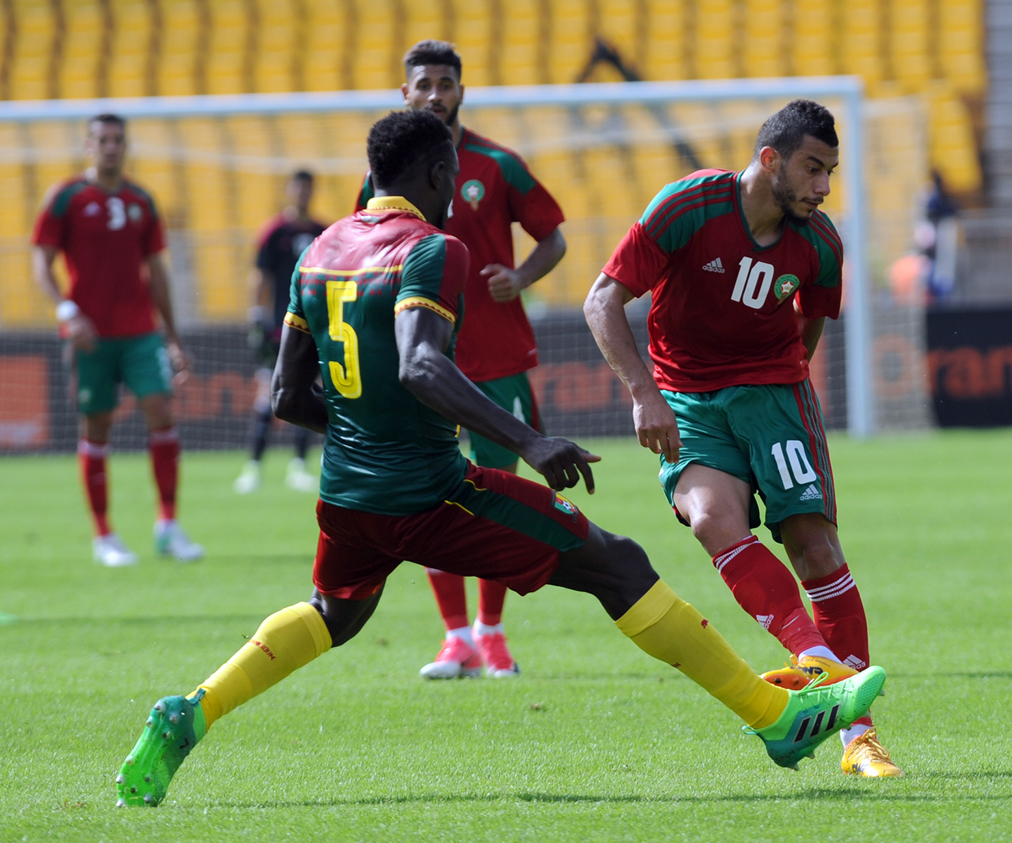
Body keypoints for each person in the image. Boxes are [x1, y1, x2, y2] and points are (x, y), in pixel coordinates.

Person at [115, 110, 887, 807]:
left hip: (348, 496)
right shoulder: (431, 249)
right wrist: (530, 441)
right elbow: (422, 366)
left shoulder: (319, 250)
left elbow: (288, 394)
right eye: (453, 172)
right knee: (618, 564)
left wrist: (366, 438)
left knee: (333, 614)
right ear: (439, 174)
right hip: (431, 493)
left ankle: (195, 709)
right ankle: (777, 717)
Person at [584, 100, 902, 778]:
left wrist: (778, 386)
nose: (823, 186)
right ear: (770, 160)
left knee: (814, 545)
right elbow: (601, 300)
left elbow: (810, 329)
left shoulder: (820, 244)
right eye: (813, 169)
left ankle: (860, 740)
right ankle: (817, 661)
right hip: (687, 397)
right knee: (708, 517)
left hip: (774, 396)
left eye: (830, 172)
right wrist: (644, 393)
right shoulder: (690, 206)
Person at [356, 40, 568, 681]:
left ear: (461, 90)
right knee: (426, 493)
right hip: (419, 358)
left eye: (445, 82)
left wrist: (522, 274)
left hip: (495, 353)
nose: (435, 94)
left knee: (497, 493)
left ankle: (492, 631)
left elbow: (553, 235)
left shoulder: (498, 164)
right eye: (424, 84)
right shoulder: (385, 177)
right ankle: (456, 640)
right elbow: (363, 249)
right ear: (406, 94)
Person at [31, 113, 204, 567]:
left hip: (141, 331)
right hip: (91, 336)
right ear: (88, 145)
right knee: (97, 428)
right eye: (102, 140)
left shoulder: (141, 200)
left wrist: (173, 336)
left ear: (125, 146)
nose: (111, 147)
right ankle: (104, 534)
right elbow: (41, 263)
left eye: (117, 140)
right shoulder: (66, 198)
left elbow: (157, 273)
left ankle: (168, 525)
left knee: (163, 412)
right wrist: (68, 312)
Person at [234, 170, 327, 494]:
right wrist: (256, 315)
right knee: (267, 395)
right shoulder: (275, 232)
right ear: (289, 190)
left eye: (307, 188)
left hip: (316, 328)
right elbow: (259, 276)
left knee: (309, 392)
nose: (302, 193)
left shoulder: (322, 232)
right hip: (280, 329)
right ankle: (254, 467)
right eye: (298, 187)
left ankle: (299, 466)